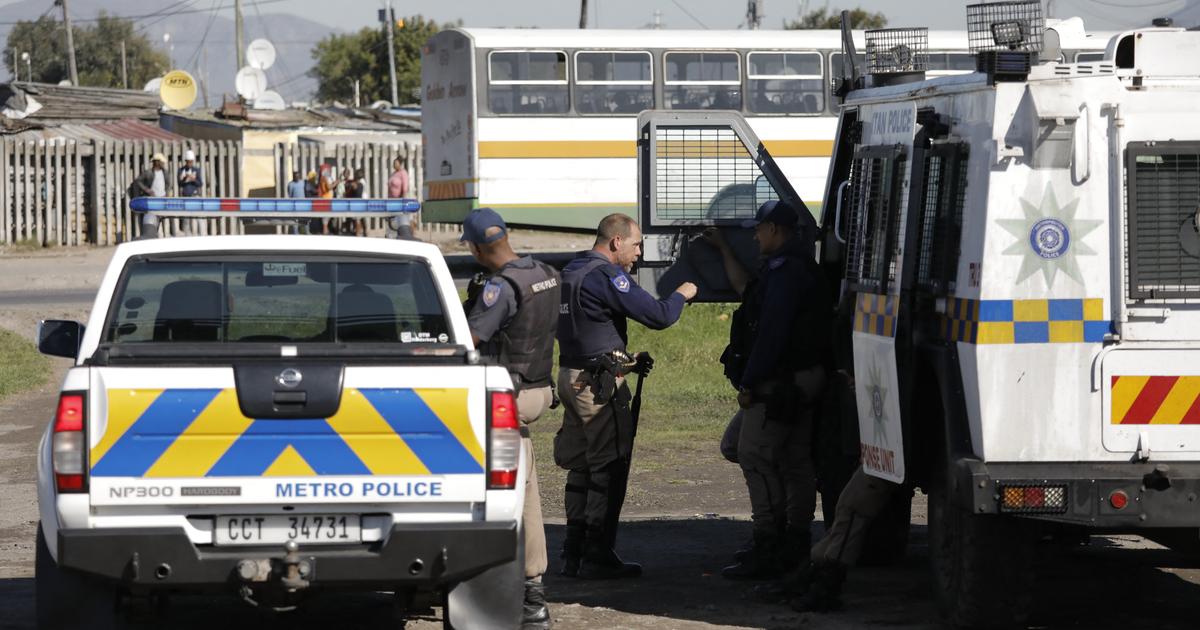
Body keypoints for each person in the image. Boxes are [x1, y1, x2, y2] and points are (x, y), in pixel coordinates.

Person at [555, 213, 698, 579]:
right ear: (616, 242)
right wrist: (682, 295)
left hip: (571, 376)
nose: (639, 253)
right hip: (597, 386)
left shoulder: (572, 270)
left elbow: (588, 328)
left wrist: (624, 359)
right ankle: (597, 553)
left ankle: (572, 553)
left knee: (581, 466)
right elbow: (658, 316)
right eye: (636, 244)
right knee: (608, 467)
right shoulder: (605, 275)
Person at [704, 200, 831, 580]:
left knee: (753, 455)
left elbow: (772, 333)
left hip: (779, 384)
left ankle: (770, 544)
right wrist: (724, 249)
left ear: (774, 230)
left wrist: (750, 383)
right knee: (793, 463)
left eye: (759, 229)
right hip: (799, 381)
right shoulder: (794, 269)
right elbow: (749, 291)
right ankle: (793, 542)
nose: (756, 235)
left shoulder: (785, 273)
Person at [460, 207, 561, 630]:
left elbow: (471, 339)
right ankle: (529, 590)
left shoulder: (499, 289)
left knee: (511, 493)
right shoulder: (546, 272)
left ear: (479, 248)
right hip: (538, 388)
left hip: (509, 396)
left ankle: (526, 595)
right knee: (524, 486)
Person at [387, 158, 416, 240]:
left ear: (400, 164)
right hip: (393, 201)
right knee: (395, 220)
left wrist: (402, 201)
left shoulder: (403, 173)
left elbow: (405, 187)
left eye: (396, 163)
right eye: (394, 163)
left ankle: (411, 236)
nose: (394, 165)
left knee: (407, 219)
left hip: (401, 200)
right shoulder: (394, 174)